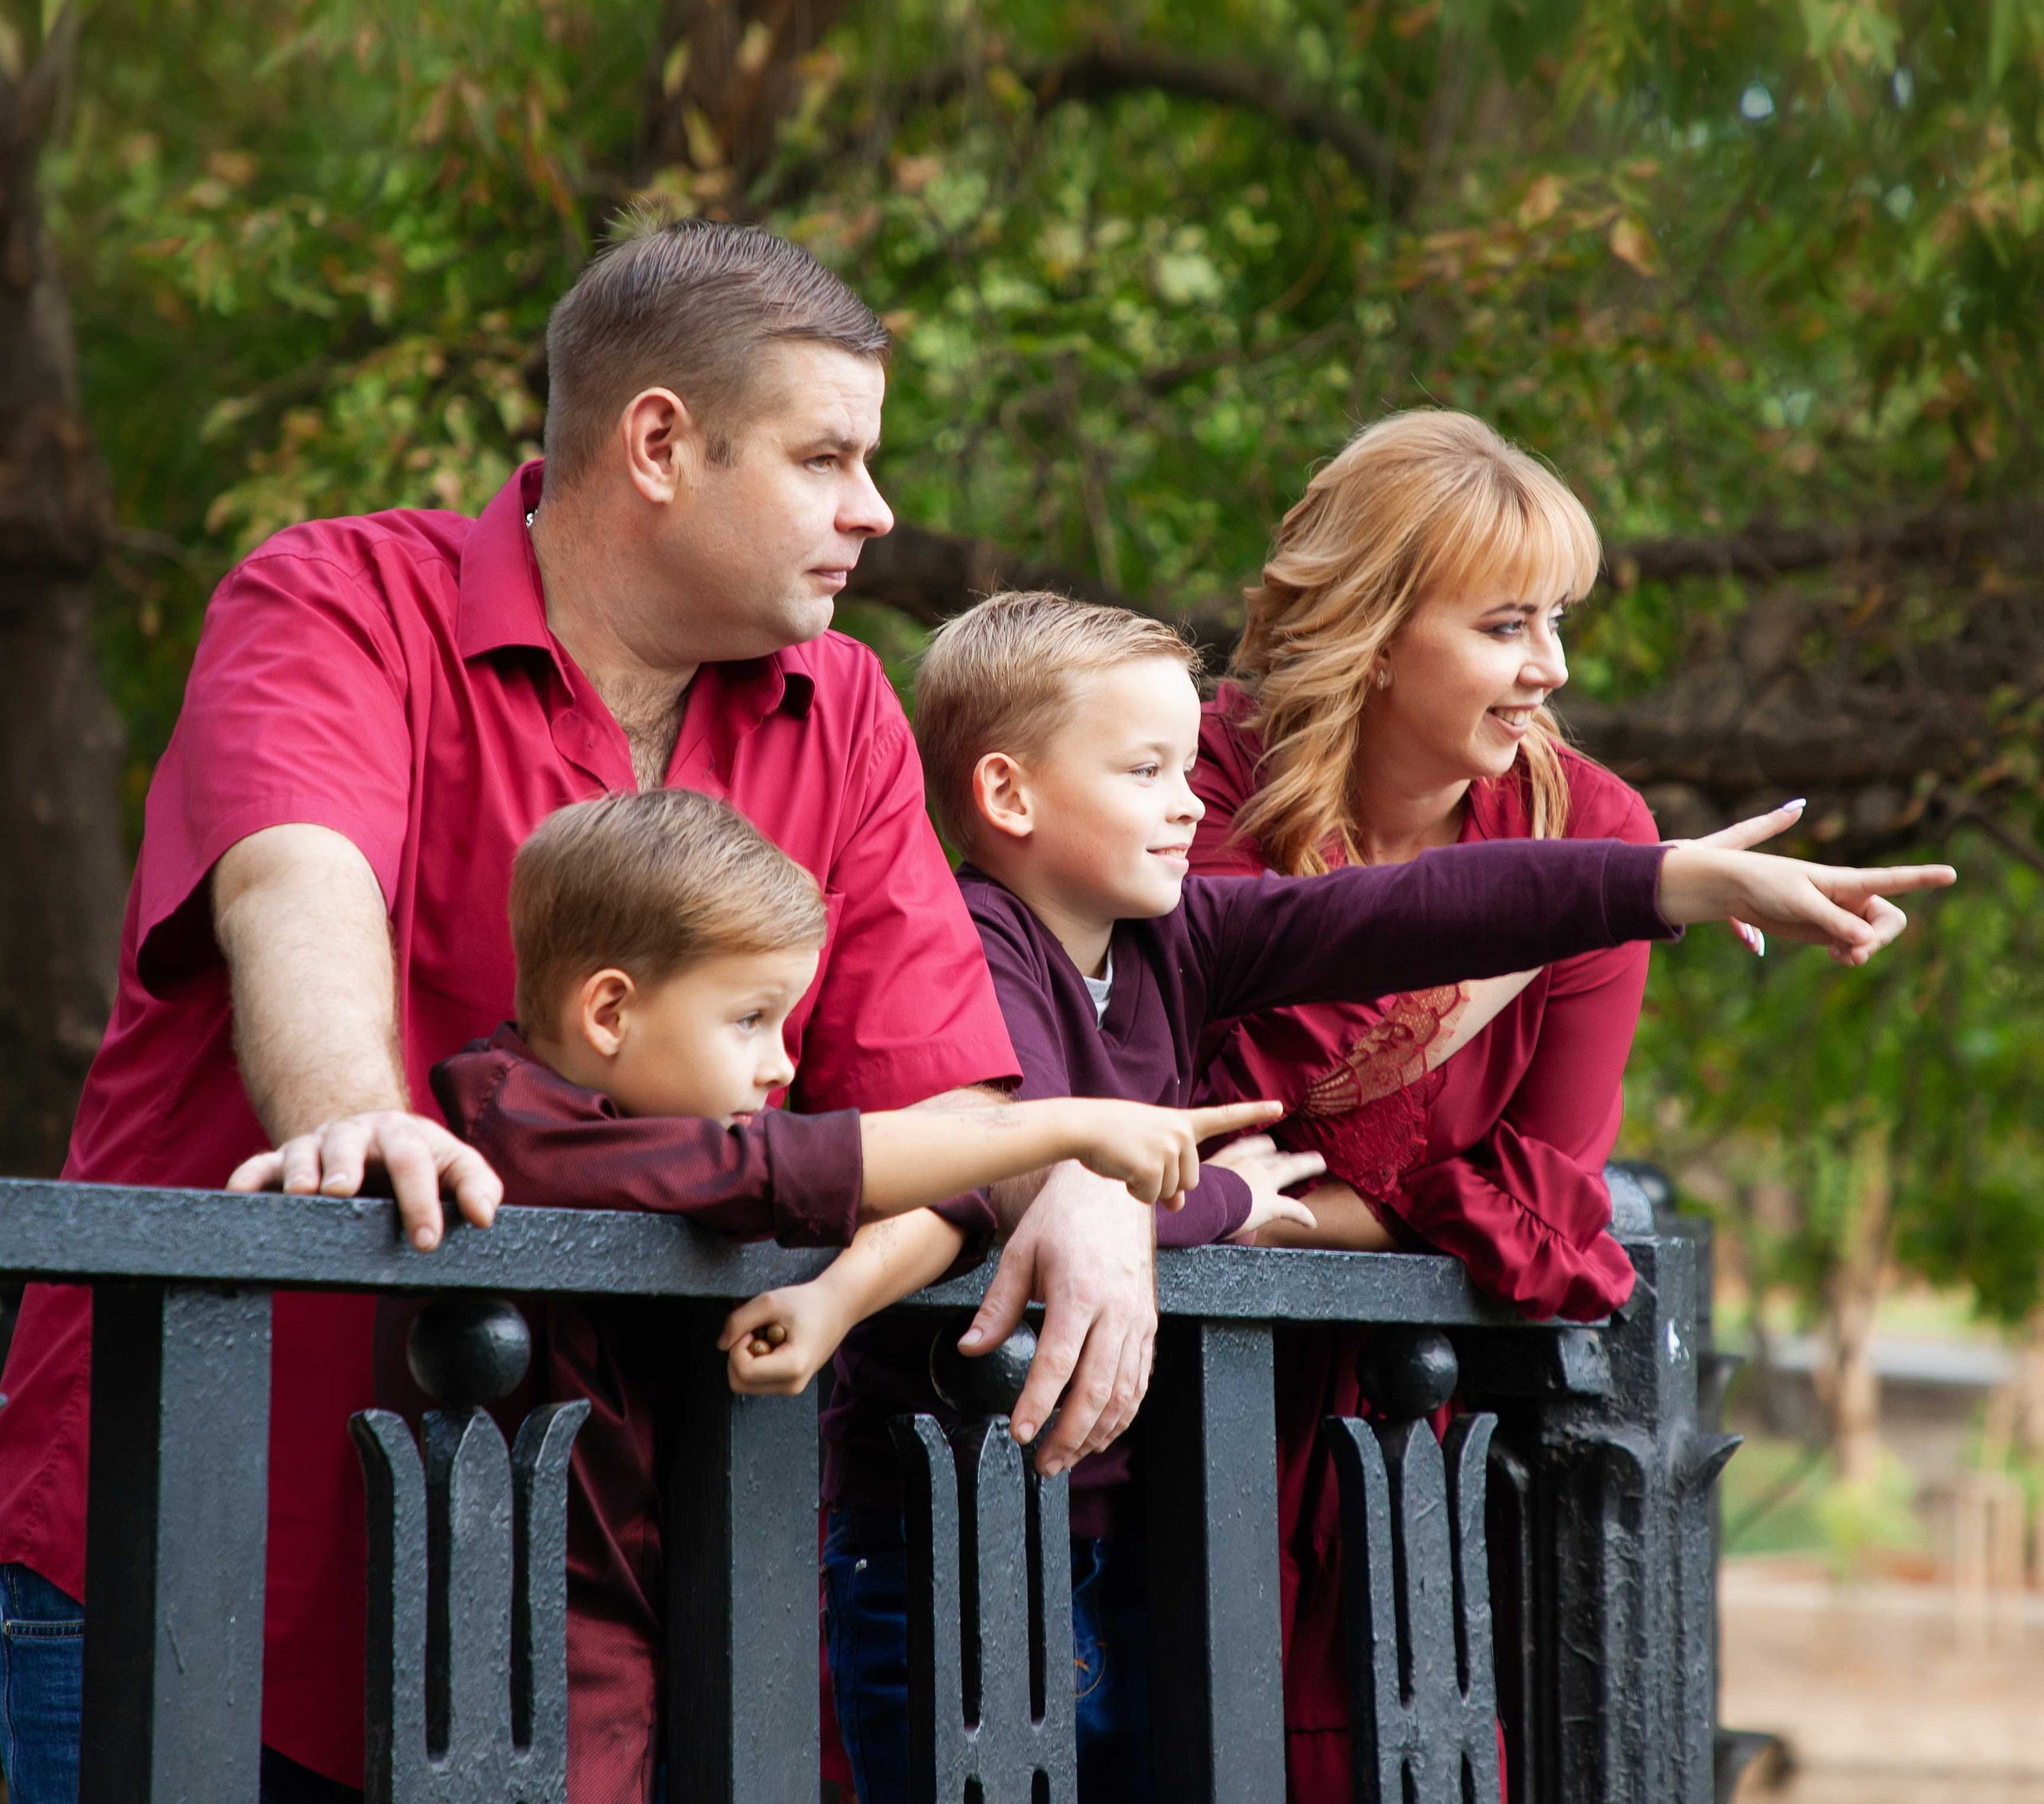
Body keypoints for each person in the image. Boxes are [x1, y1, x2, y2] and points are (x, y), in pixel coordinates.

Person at [0, 218, 1143, 1804]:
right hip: (195, 1567)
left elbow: (940, 1101)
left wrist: (1074, 1184)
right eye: (826, 458)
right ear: (660, 442)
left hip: (582, 1635)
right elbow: (294, 883)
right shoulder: (335, 596)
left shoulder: (849, 709)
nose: (872, 511)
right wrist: (354, 1107)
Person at [822, 588, 1955, 1804]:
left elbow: (1409, 911)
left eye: (1184, 769)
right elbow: (1022, 1185)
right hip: (948, 1538)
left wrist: (1672, 883)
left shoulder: (1178, 937)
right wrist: (1224, 1207)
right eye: (1148, 771)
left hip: (1112, 1527)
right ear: (1009, 797)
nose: (1192, 803)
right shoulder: (971, 952)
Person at [228, 787, 1271, 1804]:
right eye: (751, 1019)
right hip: (534, 1625)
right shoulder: (521, 1128)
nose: (782, 1064)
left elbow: (952, 1191)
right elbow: (784, 1166)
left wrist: (837, 1300)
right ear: (609, 1012)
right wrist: (1068, 1125)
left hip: (672, 1605)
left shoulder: (646, 1124)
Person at [1184, 407, 1800, 1798]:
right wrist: (1520, 934)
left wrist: (1285, 1225)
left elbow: (1549, 1203)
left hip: (1415, 1452)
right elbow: (1210, 1107)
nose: (1551, 671)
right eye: (1508, 625)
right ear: (1374, 625)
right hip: (1161, 1420)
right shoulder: (1195, 776)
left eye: (1558, 622)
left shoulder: (1592, 827)